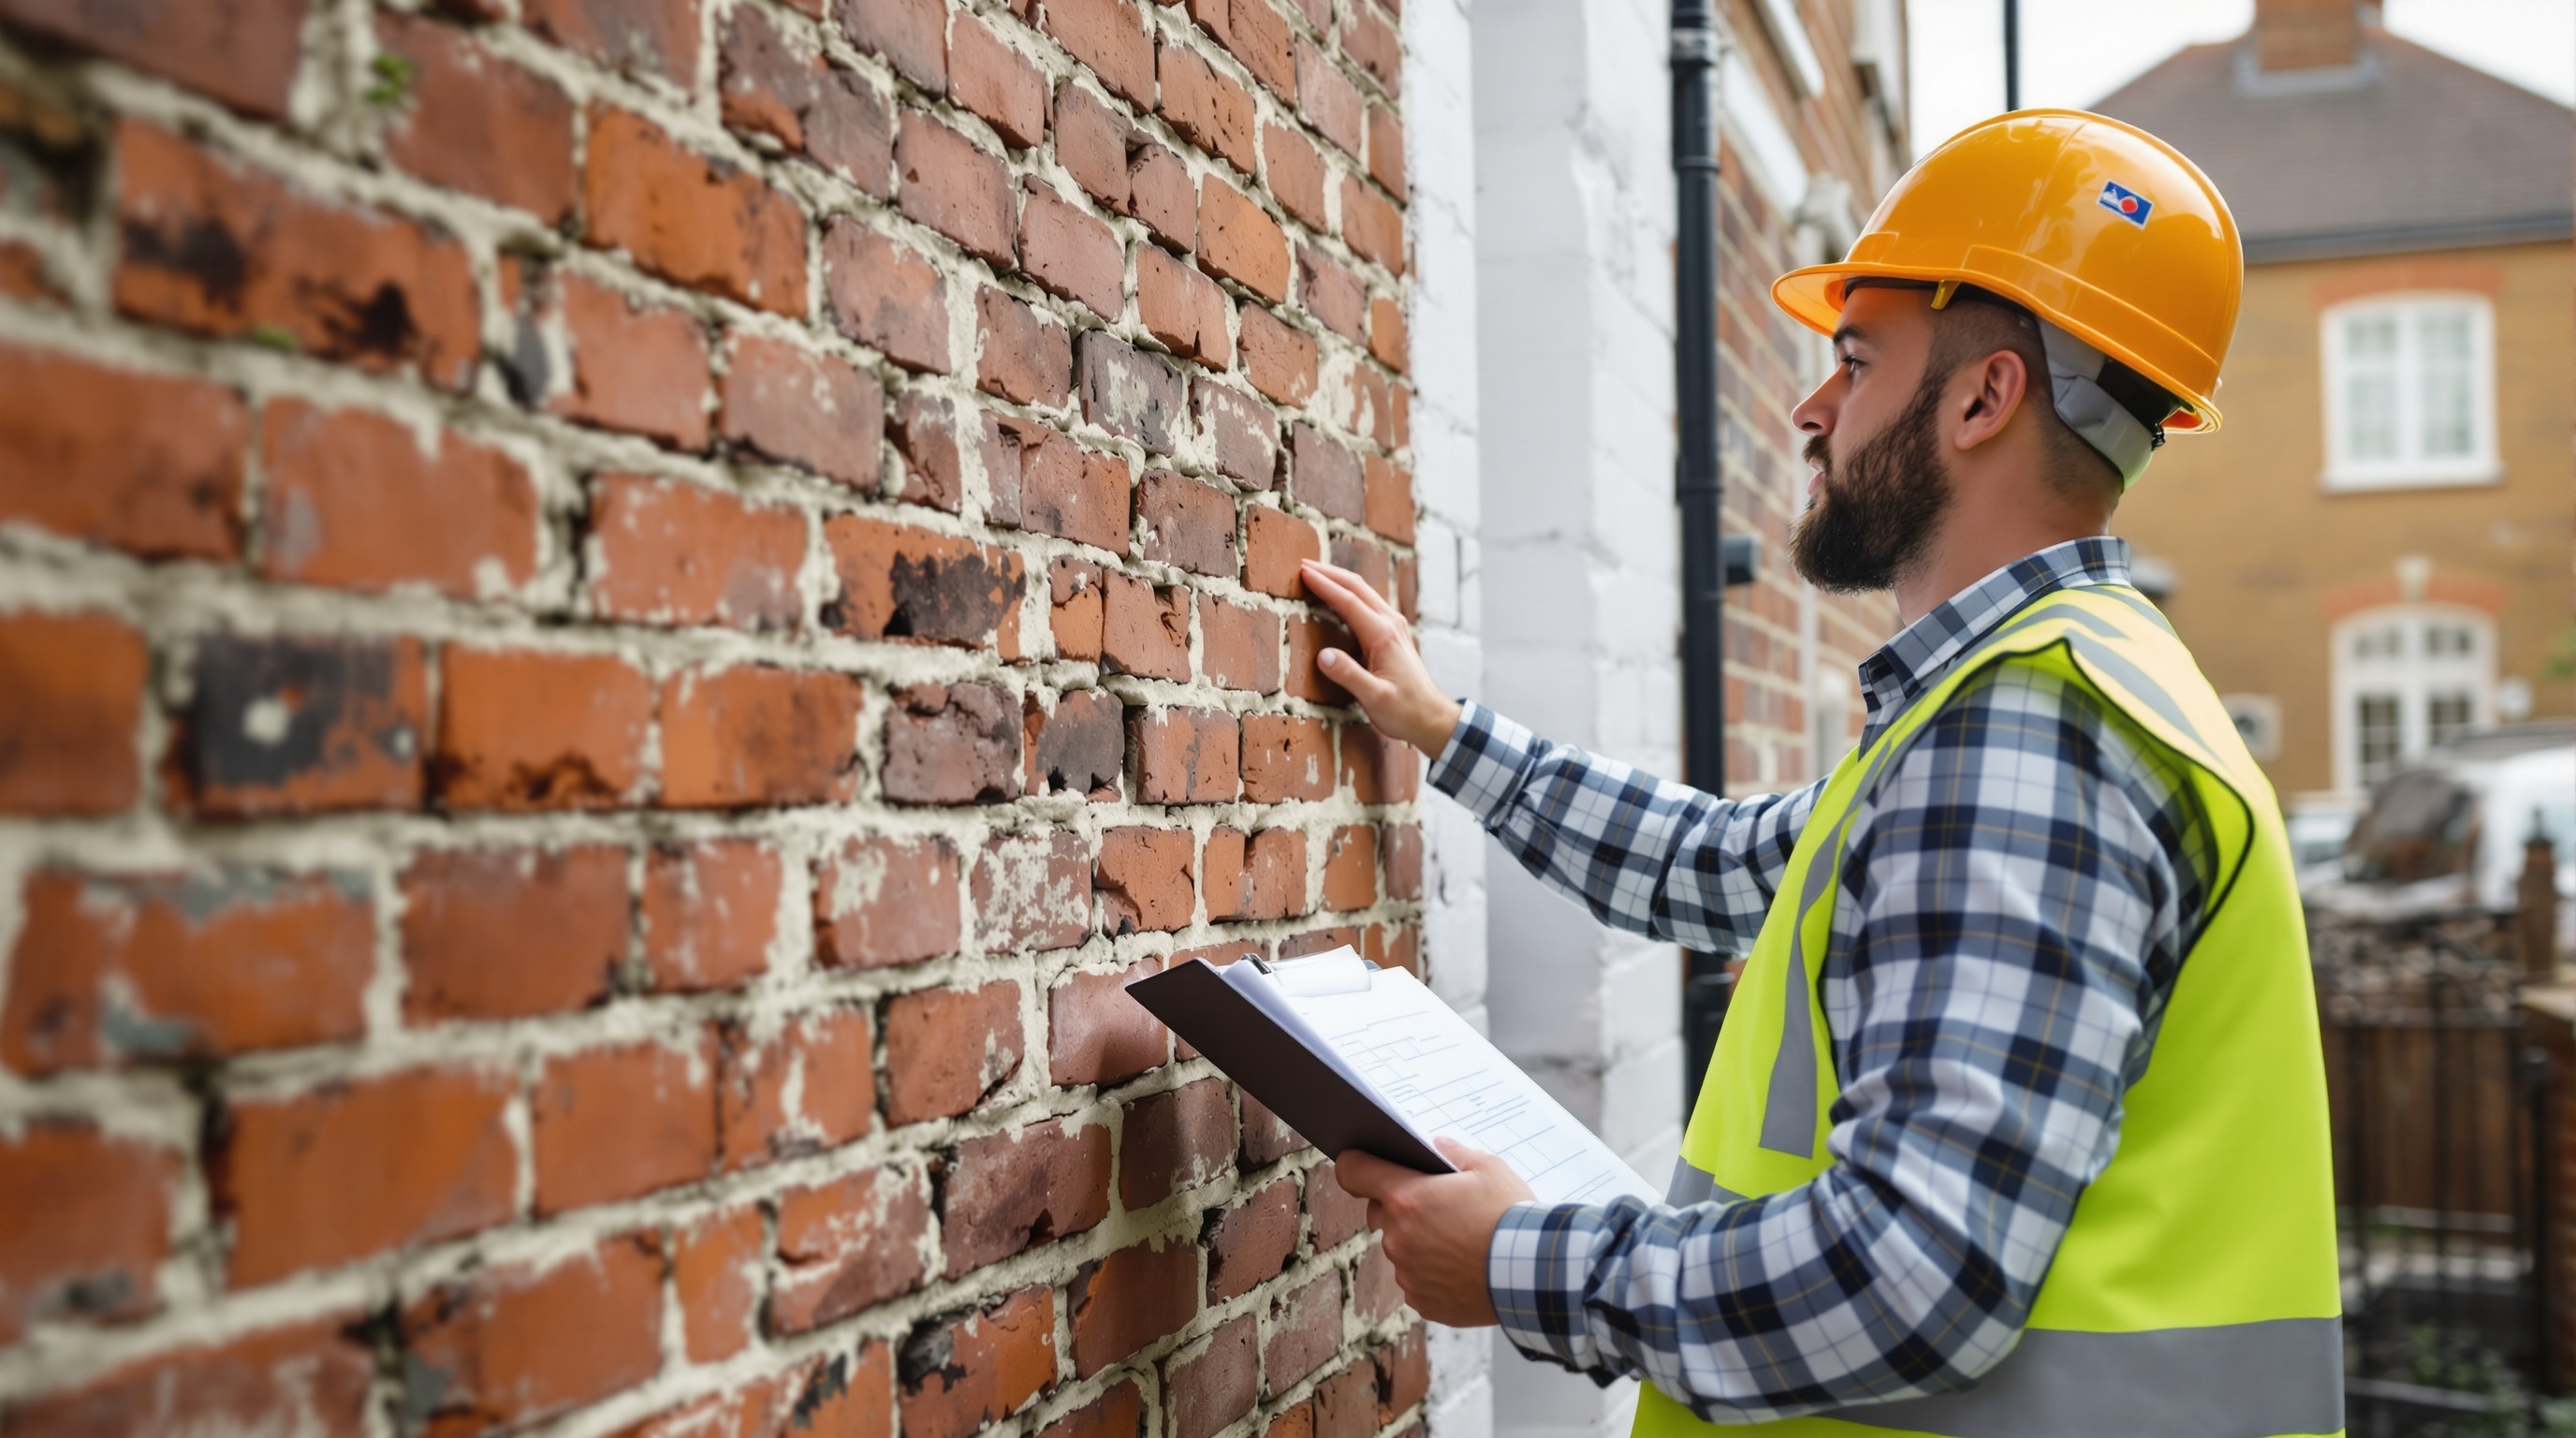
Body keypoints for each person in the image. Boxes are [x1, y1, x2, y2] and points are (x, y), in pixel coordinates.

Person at [1304, 110, 2342, 1436]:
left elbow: (1913, 1276)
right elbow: (1722, 861)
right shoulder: (2037, 694)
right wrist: (1445, 729)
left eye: (1856, 362)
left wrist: (1521, 1263)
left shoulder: (2029, 727)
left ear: (1983, 399)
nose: (1812, 407)